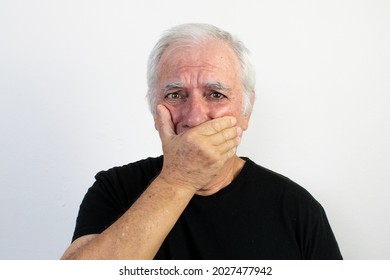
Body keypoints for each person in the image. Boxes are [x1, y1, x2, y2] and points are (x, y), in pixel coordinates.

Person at [61, 23, 342, 260]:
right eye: (175, 95)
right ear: (153, 109)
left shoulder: (297, 209)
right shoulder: (114, 190)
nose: (194, 117)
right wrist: (178, 179)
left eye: (215, 94)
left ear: (246, 112)